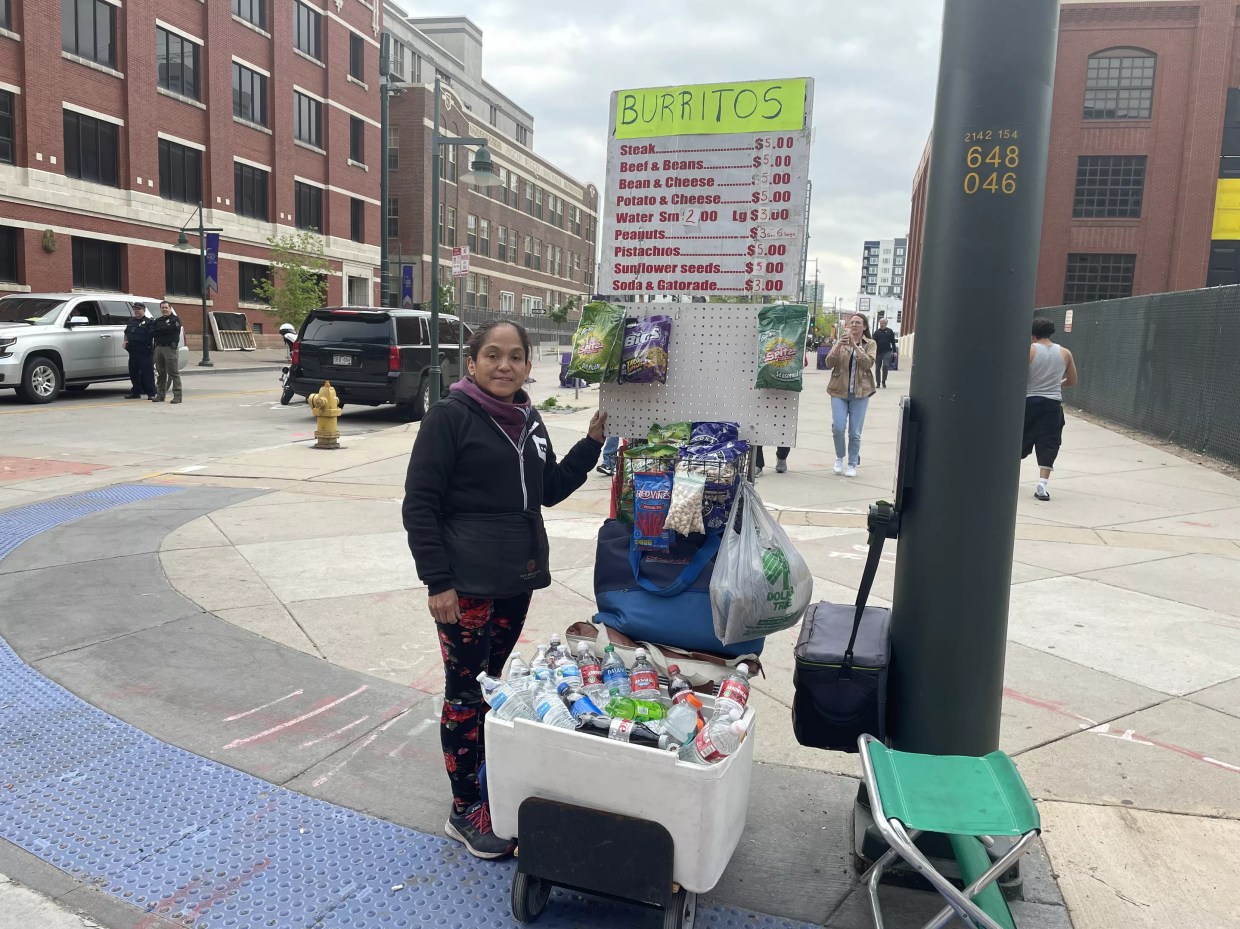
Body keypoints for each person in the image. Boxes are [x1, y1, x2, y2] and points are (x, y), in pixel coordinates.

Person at [402, 319, 605, 860]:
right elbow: (419, 504)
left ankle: (487, 782)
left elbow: (551, 489)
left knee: (492, 685)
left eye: (515, 357)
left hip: (516, 578)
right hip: (465, 585)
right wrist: (437, 581)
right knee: (466, 693)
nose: (504, 366)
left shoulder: (528, 418)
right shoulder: (449, 417)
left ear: (528, 366)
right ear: (472, 363)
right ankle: (464, 807)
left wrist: (590, 445)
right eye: (492, 355)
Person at [1022, 318, 1078, 501]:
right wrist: (1057, 384)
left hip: (1029, 402)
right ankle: (1042, 485)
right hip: (1052, 404)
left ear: (1032, 334)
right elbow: (1072, 380)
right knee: (1049, 443)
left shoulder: (1028, 351)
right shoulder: (1065, 353)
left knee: (1018, 440)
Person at [826, 313, 877, 477]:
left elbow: (868, 363)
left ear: (864, 327)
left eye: (858, 322)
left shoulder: (870, 343)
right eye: (852, 322)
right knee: (838, 428)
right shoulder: (840, 342)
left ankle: (852, 463)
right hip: (838, 391)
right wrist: (836, 346)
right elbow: (828, 363)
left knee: (855, 432)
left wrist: (855, 347)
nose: (854, 325)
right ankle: (840, 457)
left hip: (860, 393)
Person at [151, 301, 183, 404]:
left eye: (166, 307)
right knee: (161, 373)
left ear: (170, 308)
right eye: (162, 308)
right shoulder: (158, 320)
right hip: (159, 348)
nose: (164, 309)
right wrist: (163, 329)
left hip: (170, 349)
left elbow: (172, 329)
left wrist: (160, 330)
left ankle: (177, 396)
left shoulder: (175, 319)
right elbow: (152, 332)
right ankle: (160, 395)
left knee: (173, 373)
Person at [122, 303, 155, 399]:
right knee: (133, 372)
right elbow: (126, 332)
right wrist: (125, 341)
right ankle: (136, 392)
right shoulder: (131, 321)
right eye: (135, 309)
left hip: (145, 351)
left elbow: (154, 336)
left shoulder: (149, 322)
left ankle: (151, 393)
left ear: (144, 310)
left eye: (139, 309)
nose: (137, 311)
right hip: (133, 351)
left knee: (147, 373)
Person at [873, 318, 898, 388]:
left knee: (885, 366)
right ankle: (878, 382)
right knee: (877, 367)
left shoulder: (890, 331)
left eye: (882, 323)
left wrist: (895, 351)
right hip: (878, 352)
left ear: (886, 324)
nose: (881, 324)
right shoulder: (877, 332)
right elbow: (873, 342)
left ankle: (884, 380)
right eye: (880, 323)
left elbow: (893, 342)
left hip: (887, 352)